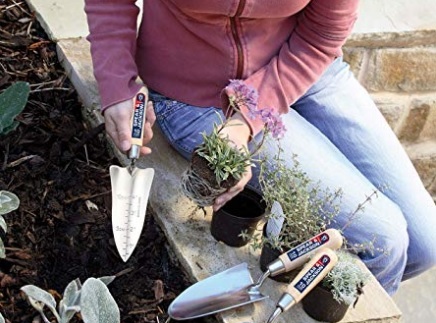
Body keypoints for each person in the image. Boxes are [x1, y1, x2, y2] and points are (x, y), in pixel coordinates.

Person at [84, 0, 436, 295]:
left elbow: (323, 33)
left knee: (425, 244)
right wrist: (117, 84)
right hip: (199, 96)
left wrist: (245, 121)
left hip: (304, 66)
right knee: (384, 241)